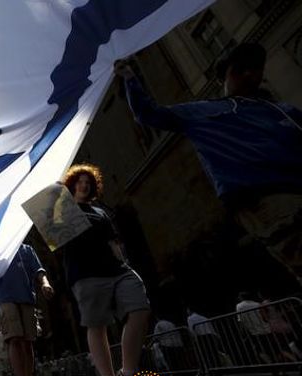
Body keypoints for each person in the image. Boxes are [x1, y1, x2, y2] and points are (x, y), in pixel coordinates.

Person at [116, 43, 302, 286]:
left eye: (253, 68)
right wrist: (128, 75)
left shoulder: (281, 111)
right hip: (267, 199)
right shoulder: (203, 112)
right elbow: (149, 113)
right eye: (238, 69)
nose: (247, 74)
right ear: (226, 76)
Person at [58, 164, 151, 376]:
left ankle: (128, 372)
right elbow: (56, 236)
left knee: (140, 308)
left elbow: (113, 241)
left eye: (88, 181)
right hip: (86, 274)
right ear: (71, 184)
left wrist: (124, 263)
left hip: (116, 269)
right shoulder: (63, 209)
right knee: (96, 325)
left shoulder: (100, 211)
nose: (84, 184)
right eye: (79, 180)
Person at [0, 243, 54, 376]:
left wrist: (45, 283)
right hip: (5, 298)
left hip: (27, 298)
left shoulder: (27, 249)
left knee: (28, 342)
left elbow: (38, 269)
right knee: (14, 339)